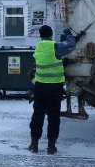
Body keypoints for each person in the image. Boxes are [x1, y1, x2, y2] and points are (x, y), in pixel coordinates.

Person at [28, 25, 76, 155]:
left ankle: (34, 144)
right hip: (54, 87)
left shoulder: (39, 46)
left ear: (41, 35)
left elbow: (56, 49)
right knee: (54, 116)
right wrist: (68, 34)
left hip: (40, 86)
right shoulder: (55, 46)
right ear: (50, 35)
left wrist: (62, 40)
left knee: (38, 114)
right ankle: (51, 146)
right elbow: (71, 46)